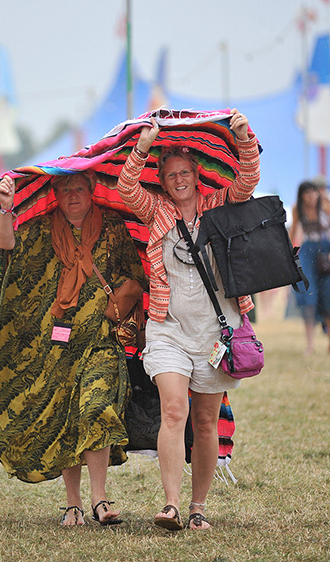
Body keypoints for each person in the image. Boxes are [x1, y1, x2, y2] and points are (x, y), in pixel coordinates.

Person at [117, 109, 261, 530]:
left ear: (196, 176)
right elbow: (127, 188)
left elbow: (248, 180)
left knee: (204, 421)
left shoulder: (218, 206)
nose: (178, 179)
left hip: (216, 331)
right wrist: (144, 146)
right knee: (174, 409)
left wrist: (242, 137)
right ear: (163, 180)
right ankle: (171, 505)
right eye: (171, 174)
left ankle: (198, 507)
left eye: (184, 172)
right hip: (168, 330)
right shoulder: (157, 212)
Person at [0, 170, 146, 526]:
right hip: (56, 345)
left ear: (92, 192)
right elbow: (8, 246)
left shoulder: (113, 227)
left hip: (101, 341)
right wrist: (6, 208)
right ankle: (73, 504)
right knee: (65, 418)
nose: (73, 195)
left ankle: (100, 499)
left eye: (79, 188)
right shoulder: (42, 230)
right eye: (65, 189)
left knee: (97, 408)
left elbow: (135, 274)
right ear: (55, 194)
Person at [288, 180, 330, 354]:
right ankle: (310, 345)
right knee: (308, 297)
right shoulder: (297, 209)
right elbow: (293, 232)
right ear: (302, 195)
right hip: (307, 253)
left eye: (314, 192)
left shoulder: (326, 205)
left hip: (326, 251)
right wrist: (288, 254)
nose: (312, 196)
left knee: (327, 297)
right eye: (307, 193)